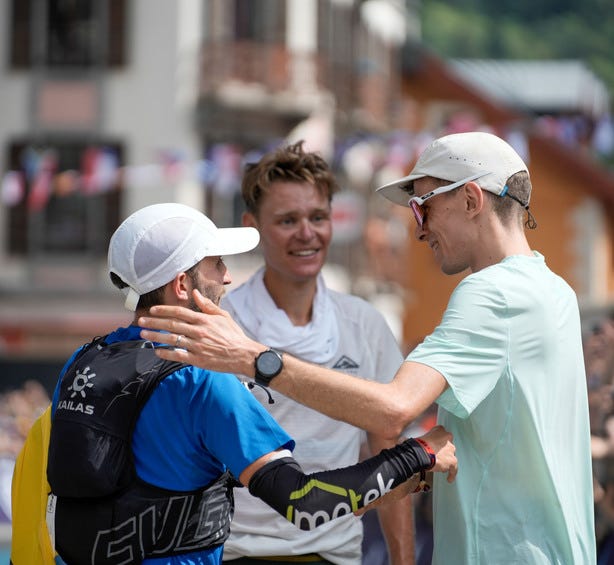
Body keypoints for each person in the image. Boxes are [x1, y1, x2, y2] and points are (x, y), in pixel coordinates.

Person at [138, 132, 597, 564]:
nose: (419, 229)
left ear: (472, 199)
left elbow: (391, 415)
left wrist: (253, 358)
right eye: (286, 220)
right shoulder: (555, 290)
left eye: (422, 208)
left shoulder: (486, 293)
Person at [31, 202, 456, 565]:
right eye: (216, 264)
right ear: (183, 285)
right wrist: (420, 453)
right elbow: (305, 504)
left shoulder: (83, 360)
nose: (228, 276)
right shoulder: (201, 379)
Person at [219, 141, 414, 565]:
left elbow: (389, 453)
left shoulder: (365, 324)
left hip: (334, 553)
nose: (307, 233)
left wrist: (403, 560)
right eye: (288, 220)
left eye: (318, 217)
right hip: (236, 553)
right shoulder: (223, 325)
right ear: (252, 226)